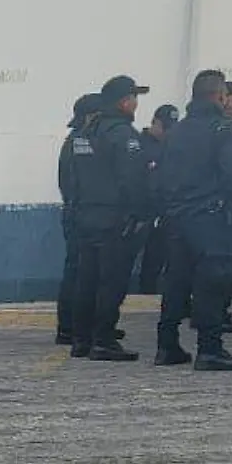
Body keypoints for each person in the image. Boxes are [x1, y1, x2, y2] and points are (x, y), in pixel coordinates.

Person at [154, 71, 232, 371]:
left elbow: (158, 174)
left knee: (175, 281)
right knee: (213, 281)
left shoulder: (176, 131)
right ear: (219, 96)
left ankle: (167, 344)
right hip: (209, 217)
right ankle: (210, 348)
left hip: (176, 217)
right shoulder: (222, 130)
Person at [69, 76, 152, 361]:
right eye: (134, 98)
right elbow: (133, 179)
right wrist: (141, 213)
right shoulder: (122, 133)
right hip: (113, 218)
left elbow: (73, 177)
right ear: (123, 101)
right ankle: (103, 339)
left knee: (87, 279)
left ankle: (81, 339)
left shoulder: (84, 133)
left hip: (86, 214)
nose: (136, 104)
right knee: (111, 282)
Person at [56, 93, 104, 345]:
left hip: (78, 212)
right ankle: (69, 327)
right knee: (78, 271)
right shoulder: (80, 142)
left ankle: (76, 326)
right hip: (81, 214)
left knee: (80, 270)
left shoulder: (74, 141)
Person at [135, 104, 180, 294]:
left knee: (159, 259)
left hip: (165, 212)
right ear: (155, 122)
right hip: (141, 213)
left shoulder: (171, 146)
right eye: (165, 127)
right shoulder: (137, 144)